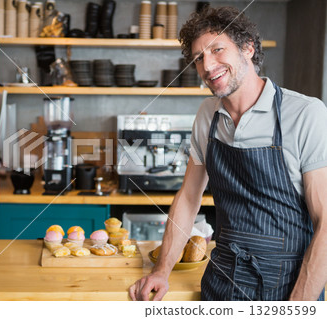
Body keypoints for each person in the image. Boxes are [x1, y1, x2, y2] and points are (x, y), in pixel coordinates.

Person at [129, 6, 327, 301]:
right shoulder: (207, 114)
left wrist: (297, 307)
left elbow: (325, 222)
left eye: (217, 49)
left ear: (248, 48)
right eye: (198, 58)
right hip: (221, 283)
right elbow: (188, 197)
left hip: (284, 289)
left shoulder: (304, 114)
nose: (207, 65)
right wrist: (161, 270)